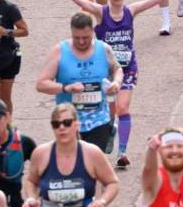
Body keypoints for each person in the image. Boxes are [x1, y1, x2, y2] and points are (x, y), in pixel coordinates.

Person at [43, 0, 183, 167]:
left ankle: (122, 151)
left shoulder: (130, 11)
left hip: (127, 68)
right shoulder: (101, 12)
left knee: (123, 108)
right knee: (108, 111)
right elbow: (79, 0)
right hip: (104, 70)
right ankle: (110, 128)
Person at [37, 9, 123, 150]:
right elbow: (41, 84)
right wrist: (65, 88)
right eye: (77, 38)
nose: (81, 42)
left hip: (98, 120)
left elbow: (117, 68)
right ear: (71, 33)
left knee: (92, 165)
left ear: (92, 33)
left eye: (86, 37)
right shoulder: (59, 51)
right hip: (68, 122)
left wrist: (116, 82)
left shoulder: (104, 49)